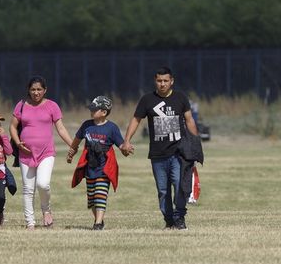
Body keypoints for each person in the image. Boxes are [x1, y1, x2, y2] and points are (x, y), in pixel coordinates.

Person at [121, 67, 198, 230]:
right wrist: (126, 141)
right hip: (158, 154)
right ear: (155, 81)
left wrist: (195, 144)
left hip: (179, 153)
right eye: (159, 81)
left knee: (179, 185)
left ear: (172, 81)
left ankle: (179, 218)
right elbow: (136, 120)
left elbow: (189, 120)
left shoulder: (180, 98)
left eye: (165, 81)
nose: (162, 84)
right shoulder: (147, 100)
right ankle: (169, 220)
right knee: (163, 190)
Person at [9, 76, 73, 230]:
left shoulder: (52, 106)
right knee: (28, 189)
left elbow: (61, 128)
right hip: (26, 153)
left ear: (45, 90)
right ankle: (30, 223)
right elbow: (12, 127)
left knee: (43, 184)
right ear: (28, 90)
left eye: (39, 89)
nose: (36, 92)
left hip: (46, 152)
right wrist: (18, 143)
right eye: (33, 89)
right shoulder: (21, 105)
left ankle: (46, 210)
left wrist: (73, 145)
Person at [67, 96, 127, 230]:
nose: (91, 111)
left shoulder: (112, 128)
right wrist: (71, 153)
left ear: (104, 112)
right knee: (92, 199)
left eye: (94, 109)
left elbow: (121, 145)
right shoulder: (86, 126)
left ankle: (98, 224)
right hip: (90, 168)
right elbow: (76, 141)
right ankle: (98, 219)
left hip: (104, 168)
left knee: (101, 194)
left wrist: (126, 148)